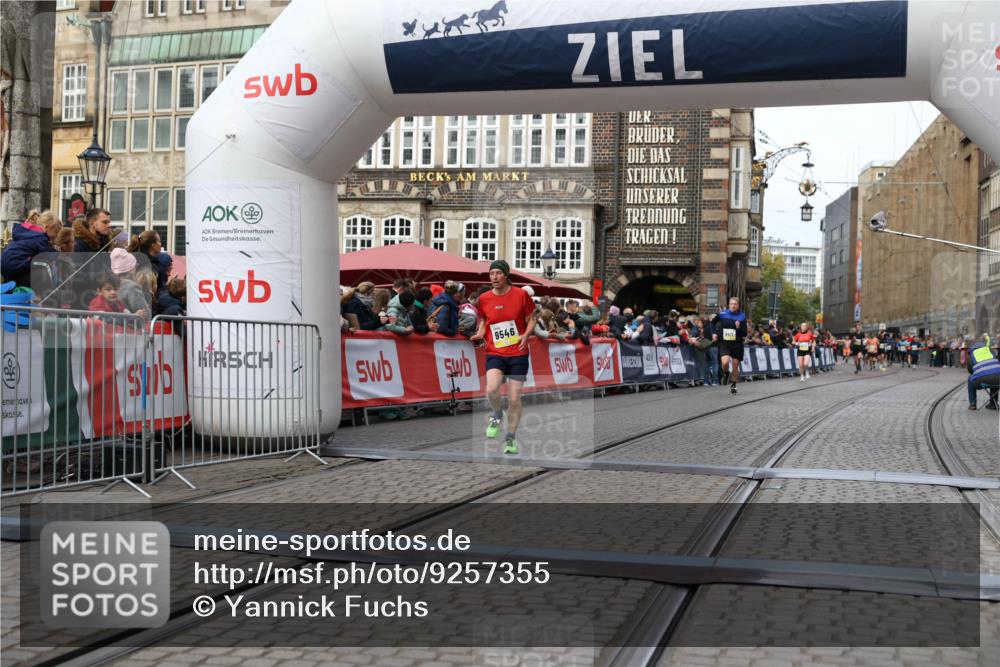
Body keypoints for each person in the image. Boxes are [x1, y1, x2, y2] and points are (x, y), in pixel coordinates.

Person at [470, 259, 537, 455]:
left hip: (518, 352)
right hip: (495, 351)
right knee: (491, 388)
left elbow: (532, 318)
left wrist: (526, 334)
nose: (494, 277)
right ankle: (497, 413)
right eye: (491, 274)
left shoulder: (521, 295)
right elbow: (484, 319)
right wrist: (480, 333)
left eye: (498, 273)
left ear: (506, 275)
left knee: (515, 398)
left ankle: (510, 438)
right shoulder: (484, 298)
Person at [1, 210, 62, 287]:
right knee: (43, 267)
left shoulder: (28, 233)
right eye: (56, 232)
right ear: (46, 227)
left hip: (7, 265)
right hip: (17, 265)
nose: (56, 236)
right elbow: (46, 254)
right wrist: (57, 253)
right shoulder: (40, 238)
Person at [712, 296, 748, 394]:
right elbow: (712, 322)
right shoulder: (723, 314)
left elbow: (745, 333)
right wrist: (714, 333)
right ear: (729, 305)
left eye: (735, 304)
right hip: (725, 342)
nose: (733, 306)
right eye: (731, 304)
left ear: (738, 305)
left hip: (737, 343)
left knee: (735, 366)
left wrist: (738, 327)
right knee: (725, 362)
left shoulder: (742, 316)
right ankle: (726, 373)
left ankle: (733, 385)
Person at [967, 338, 999, 410]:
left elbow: (970, 370)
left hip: (981, 382)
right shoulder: (991, 352)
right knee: (994, 375)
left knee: (970, 378)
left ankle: (973, 404)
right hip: (998, 380)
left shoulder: (972, 354)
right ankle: (993, 404)